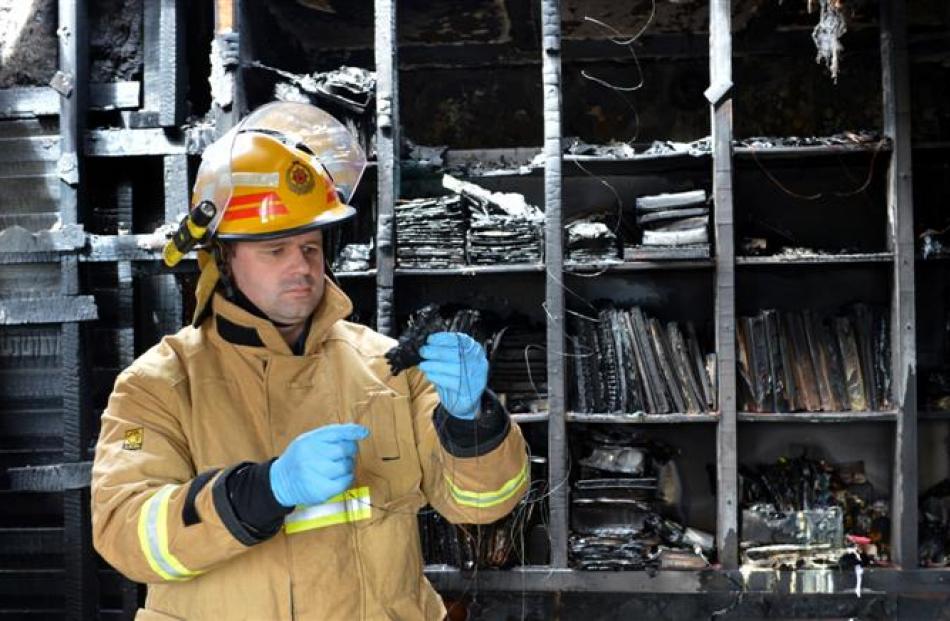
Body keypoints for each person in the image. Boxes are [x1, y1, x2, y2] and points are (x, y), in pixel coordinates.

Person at [90, 102, 529, 620]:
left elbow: (484, 503)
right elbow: (126, 533)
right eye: (275, 249)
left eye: (311, 246)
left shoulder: (384, 365)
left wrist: (471, 423)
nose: (300, 265)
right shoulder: (159, 385)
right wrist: (264, 489)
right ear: (223, 258)